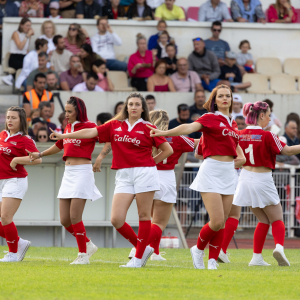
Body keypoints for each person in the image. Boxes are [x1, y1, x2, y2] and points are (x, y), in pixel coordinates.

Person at [48, 92, 173, 268]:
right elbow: (91, 132)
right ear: (126, 107)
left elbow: (167, 150)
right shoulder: (114, 125)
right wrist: (64, 136)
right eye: (131, 104)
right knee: (116, 219)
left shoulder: (148, 127)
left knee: (144, 215)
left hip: (145, 173)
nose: (134, 107)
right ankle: (142, 248)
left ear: (143, 108)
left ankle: (138, 259)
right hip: (123, 174)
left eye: (138, 104)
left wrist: (150, 164)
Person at [148, 85, 246, 270]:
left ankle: (211, 260)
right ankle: (198, 249)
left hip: (229, 172)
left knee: (222, 222)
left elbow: (236, 150)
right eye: (221, 96)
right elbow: (189, 127)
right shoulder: (210, 117)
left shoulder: (232, 123)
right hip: (211, 171)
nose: (225, 99)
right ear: (214, 100)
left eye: (228, 96)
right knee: (216, 220)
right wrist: (164, 133)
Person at [28, 97, 101, 265]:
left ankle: (83, 255)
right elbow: (60, 145)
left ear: (79, 111)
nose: (66, 114)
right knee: (64, 220)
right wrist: (40, 154)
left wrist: (100, 158)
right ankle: (88, 244)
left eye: (70, 111)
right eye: (66, 111)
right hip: (68, 173)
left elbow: (107, 139)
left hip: (83, 172)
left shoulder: (90, 126)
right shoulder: (68, 127)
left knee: (75, 217)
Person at [233, 101, 300, 266]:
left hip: (244, 178)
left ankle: (256, 258)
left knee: (263, 220)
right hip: (262, 178)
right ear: (261, 115)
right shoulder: (268, 135)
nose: (270, 119)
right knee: (277, 217)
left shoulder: (239, 134)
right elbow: (288, 151)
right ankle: (279, 248)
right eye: (269, 115)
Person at [128, 110, 199, 260]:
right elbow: (197, 143)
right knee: (159, 223)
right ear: (166, 123)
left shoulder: (143, 136)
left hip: (144, 177)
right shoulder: (176, 138)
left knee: (149, 220)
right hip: (165, 178)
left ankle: (155, 253)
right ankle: (138, 249)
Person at [0, 106, 41, 262]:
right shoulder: (3, 135)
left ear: (21, 120)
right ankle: (20, 242)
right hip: (1, 180)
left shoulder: (25, 139)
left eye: (13, 118)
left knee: (5, 217)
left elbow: (38, 159)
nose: (9, 120)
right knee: (4, 219)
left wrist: (17, 159)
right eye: (8, 117)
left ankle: (13, 254)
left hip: (15, 180)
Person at [1, 18, 34, 86]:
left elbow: (26, 48)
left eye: (30, 26)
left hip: (23, 57)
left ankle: (11, 78)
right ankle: (12, 78)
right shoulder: (16, 33)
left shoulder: (28, 35)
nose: (29, 28)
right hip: (15, 57)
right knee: (25, 67)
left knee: (32, 66)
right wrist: (27, 36)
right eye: (27, 25)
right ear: (21, 25)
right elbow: (20, 47)